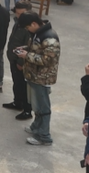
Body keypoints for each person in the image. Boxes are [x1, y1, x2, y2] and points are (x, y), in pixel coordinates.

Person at [15, 12, 60, 146]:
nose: (27, 30)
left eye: (27, 27)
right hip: (34, 76)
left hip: (42, 78)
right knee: (37, 105)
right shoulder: (38, 33)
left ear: (34, 24)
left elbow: (48, 60)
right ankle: (36, 127)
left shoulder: (50, 38)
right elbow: (36, 49)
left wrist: (26, 55)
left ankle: (44, 136)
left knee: (43, 107)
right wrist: (24, 49)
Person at [3, 2, 34, 120]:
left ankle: (27, 110)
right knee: (17, 83)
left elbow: (28, 46)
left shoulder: (29, 27)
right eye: (17, 13)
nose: (19, 16)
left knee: (24, 86)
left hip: (21, 61)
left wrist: (21, 62)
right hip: (14, 57)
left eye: (22, 13)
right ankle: (17, 102)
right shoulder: (18, 22)